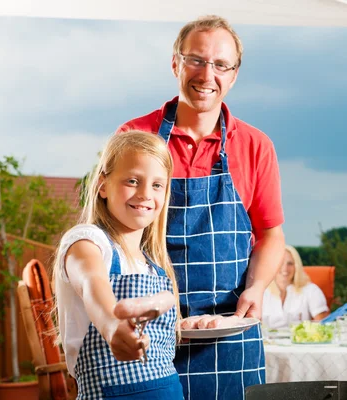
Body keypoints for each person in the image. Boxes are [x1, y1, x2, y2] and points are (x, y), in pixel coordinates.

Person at [116, 15, 286, 399]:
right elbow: (111, 234)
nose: (207, 74)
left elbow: (271, 234)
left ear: (234, 74)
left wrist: (257, 288)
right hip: (151, 329)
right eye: (196, 59)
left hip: (230, 333)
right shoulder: (134, 137)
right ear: (175, 63)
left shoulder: (256, 146)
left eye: (221, 64)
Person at [54, 131, 184, 398]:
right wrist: (112, 325)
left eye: (157, 185)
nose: (146, 194)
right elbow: (92, 284)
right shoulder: (88, 241)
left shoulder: (152, 265)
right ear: (103, 185)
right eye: (133, 181)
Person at [262, 245, 330, 329]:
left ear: (296, 266)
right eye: (280, 262)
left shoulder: (311, 290)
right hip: (267, 341)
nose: (285, 268)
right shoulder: (261, 291)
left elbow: (323, 326)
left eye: (290, 263)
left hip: (299, 341)